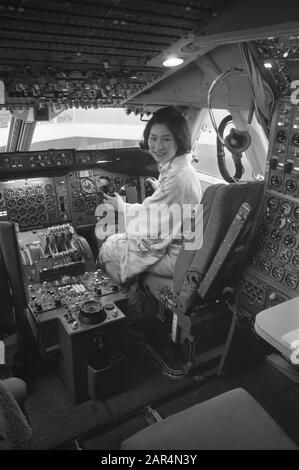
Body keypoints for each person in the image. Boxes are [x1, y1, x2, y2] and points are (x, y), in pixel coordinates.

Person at [95, 106, 202, 286]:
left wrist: (122, 208)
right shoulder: (178, 168)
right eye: (153, 138)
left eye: (166, 139)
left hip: (177, 254)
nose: (158, 146)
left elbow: (151, 225)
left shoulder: (177, 177)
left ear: (179, 140)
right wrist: (160, 189)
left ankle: (128, 300)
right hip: (185, 245)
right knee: (119, 240)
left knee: (108, 246)